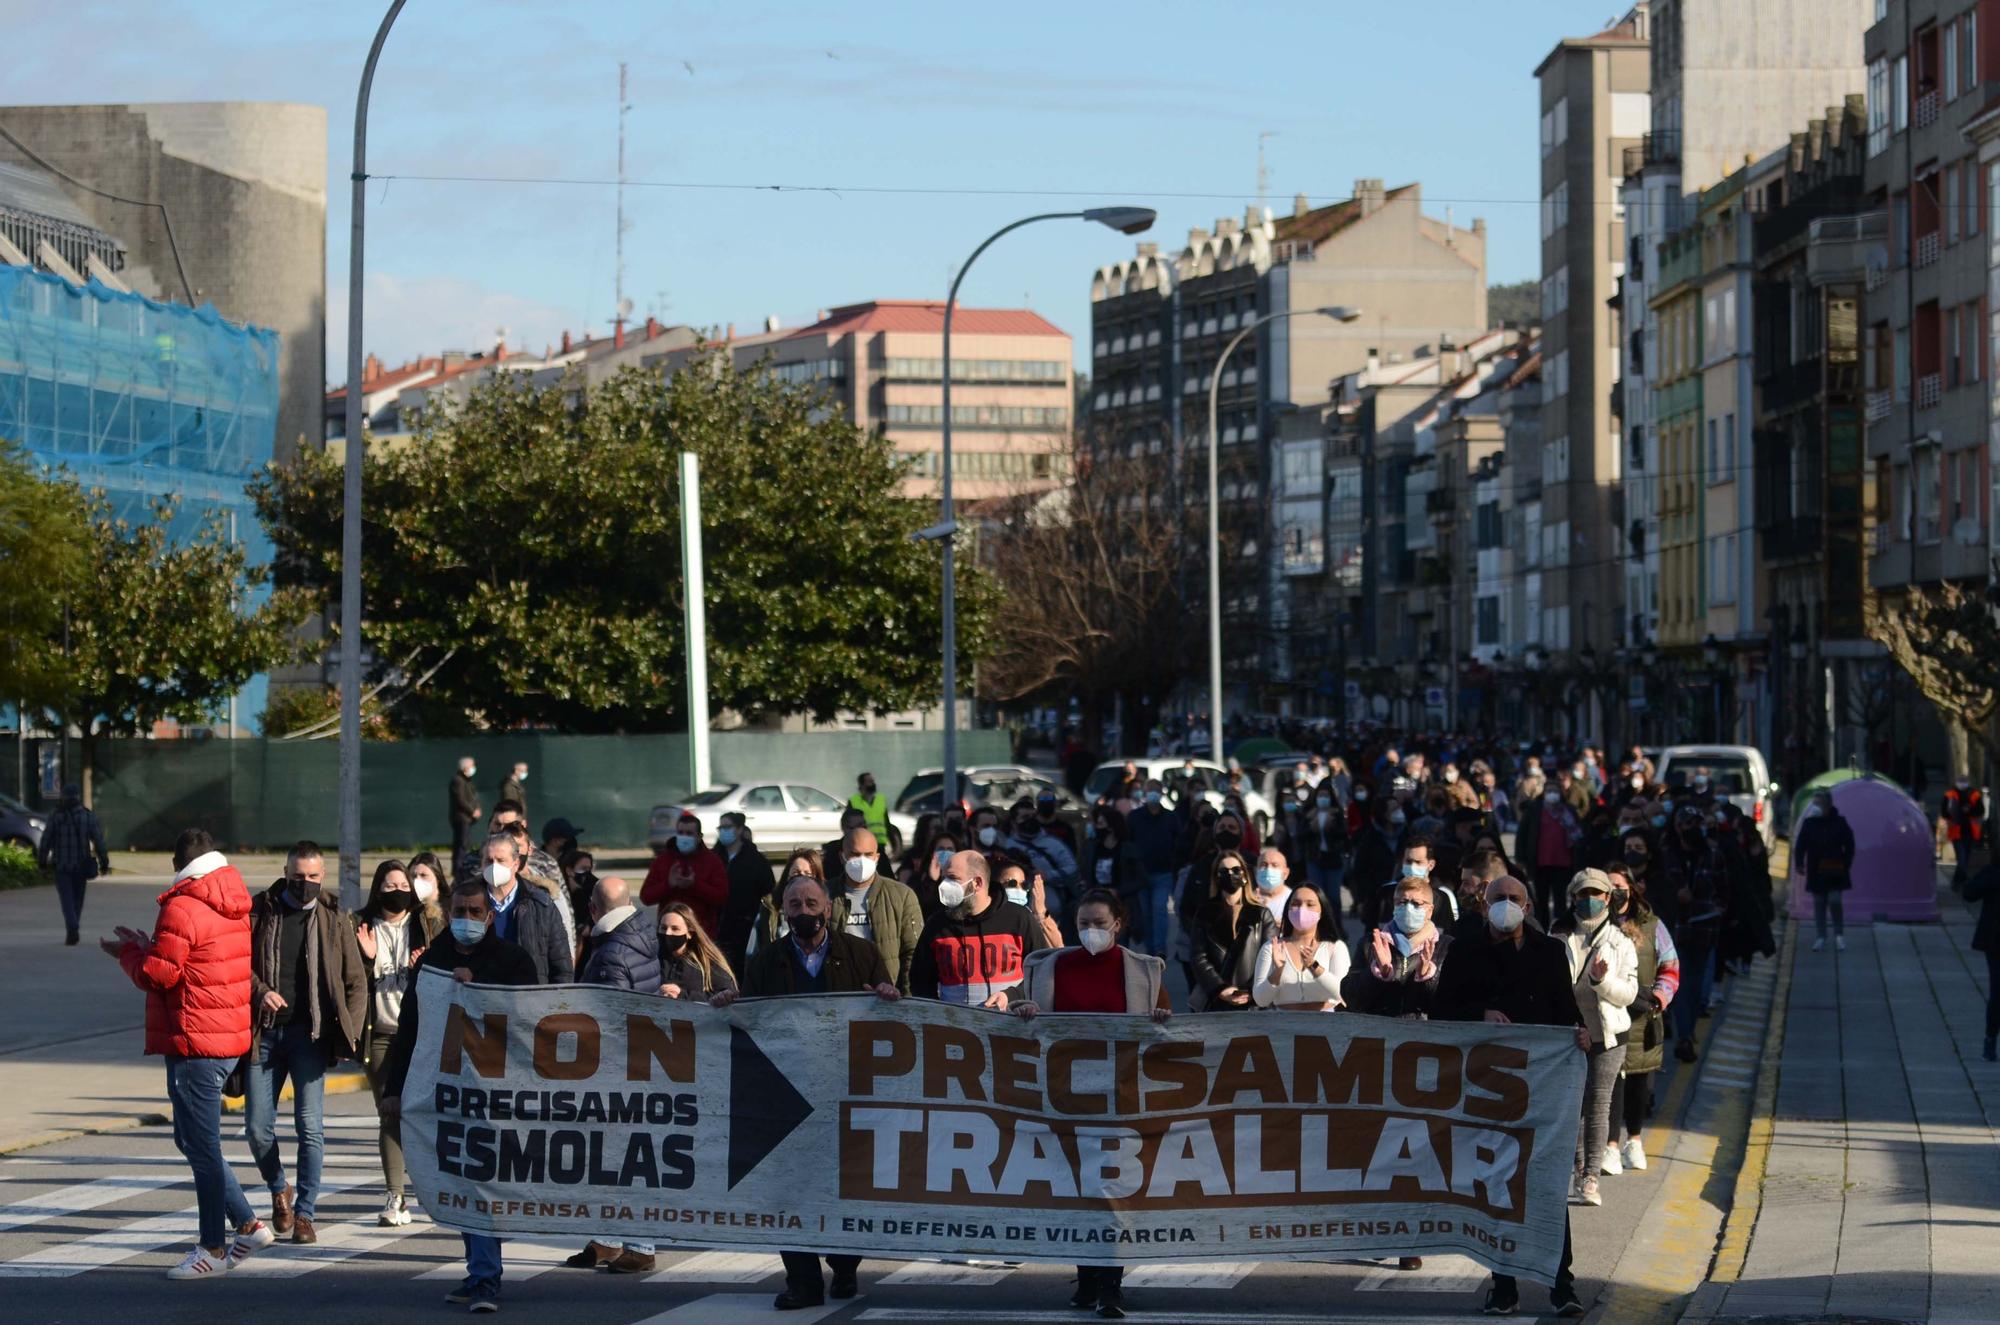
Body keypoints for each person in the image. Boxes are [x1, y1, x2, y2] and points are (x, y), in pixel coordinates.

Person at [714, 874, 900, 1309]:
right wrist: (729, 1007)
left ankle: (846, 1263)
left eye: (811, 903)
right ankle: (802, 1281)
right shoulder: (765, 961)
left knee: (844, 1187)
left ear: (829, 909)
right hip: (786, 1094)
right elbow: (753, 1022)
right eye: (794, 904)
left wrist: (888, 997)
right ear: (785, 911)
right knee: (788, 1189)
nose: (803, 911)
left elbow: (887, 1020)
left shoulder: (862, 954)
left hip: (846, 1090)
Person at [102, 828, 272, 1280]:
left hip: (196, 1041)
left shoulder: (183, 904)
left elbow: (159, 974)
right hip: (220, 1037)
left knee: (200, 1144)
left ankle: (213, 1247)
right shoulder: (231, 897)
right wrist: (148, 945)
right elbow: (192, 961)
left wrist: (129, 953)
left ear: (180, 863)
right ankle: (249, 1225)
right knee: (192, 1139)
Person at [382, 879, 540, 1313]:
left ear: (490, 916)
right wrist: (394, 1090)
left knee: (484, 1181)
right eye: (459, 912)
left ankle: (485, 1277)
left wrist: (478, 987)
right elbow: (410, 1029)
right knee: (466, 1180)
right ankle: (481, 1273)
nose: (466, 920)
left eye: (475, 912)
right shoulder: (432, 963)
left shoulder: (513, 960)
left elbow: (531, 1019)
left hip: (500, 1092)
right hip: (449, 1092)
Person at [1433, 874, 1587, 1317]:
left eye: (1513, 898)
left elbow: (1566, 1011)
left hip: (1541, 1085)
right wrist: (1478, 1013)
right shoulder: (1467, 950)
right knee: (1497, 1184)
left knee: (1547, 1184)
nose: (1505, 904)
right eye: (1497, 898)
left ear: (1529, 906)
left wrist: (1578, 1035)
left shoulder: (1551, 952)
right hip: (1487, 1086)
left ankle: (1563, 1286)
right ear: (1483, 906)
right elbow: (1443, 1011)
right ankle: (1503, 1286)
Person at [1012, 889, 1170, 1319]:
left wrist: (1159, 1018)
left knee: (1111, 1192)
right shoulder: (1049, 967)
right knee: (1076, 1189)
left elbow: (1170, 1025)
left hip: (1121, 1097)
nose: (1090, 931)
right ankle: (1086, 1277)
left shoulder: (1144, 971)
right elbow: (1016, 1007)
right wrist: (1021, 1006)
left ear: (1118, 924)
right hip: (1065, 1095)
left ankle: (1110, 1285)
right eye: (1083, 923)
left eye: (1099, 923)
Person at [245, 841, 366, 1245]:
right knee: (258, 1128)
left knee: (309, 1128)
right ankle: (280, 1188)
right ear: (285, 872)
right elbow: (237, 965)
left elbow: (355, 982)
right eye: (298, 877)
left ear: (323, 876)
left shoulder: (334, 918)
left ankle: (305, 1214)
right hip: (264, 1033)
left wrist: (350, 1031)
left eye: (313, 877)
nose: (306, 884)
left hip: (310, 1036)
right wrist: (260, 991)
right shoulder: (261, 911)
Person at [565, 875, 663, 1274]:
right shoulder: (642, 935)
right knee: (618, 1159)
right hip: (641, 1067)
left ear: (593, 909)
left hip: (617, 1072)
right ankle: (608, 1239)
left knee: (623, 1160)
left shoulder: (610, 954)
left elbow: (607, 1020)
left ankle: (639, 1245)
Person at [352, 858, 444, 1228]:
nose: (397, 891)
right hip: (380, 1033)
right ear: (377, 890)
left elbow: (447, 969)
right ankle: (396, 1196)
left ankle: (434, 1187)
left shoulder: (429, 924)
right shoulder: (359, 926)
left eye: (402, 885)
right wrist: (365, 957)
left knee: (424, 1114)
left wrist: (427, 961)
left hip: (422, 1034)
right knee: (389, 1113)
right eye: (388, 886)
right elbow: (349, 981)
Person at [1558, 869, 1638, 1208]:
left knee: (1598, 1104)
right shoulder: (1558, 935)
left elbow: (1629, 993)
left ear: (1608, 898)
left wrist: (1600, 982)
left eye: (1596, 893)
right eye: (1582, 894)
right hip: (1568, 1033)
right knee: (1572, 1104)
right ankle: (1577, 1170)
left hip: (1608, 1034)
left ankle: (1592, 1176)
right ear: (1572, 897)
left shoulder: (1620, 941)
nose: (1589, 900)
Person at [1605, 868, 1678, 1174]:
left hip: (1642, 1016)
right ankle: (1609, 1146)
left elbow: (1670, 966)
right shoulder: (1597, 925)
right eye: (1608, 887)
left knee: (1638, 1083)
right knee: (1607, 1086)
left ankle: (1634, 1140)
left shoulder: (1653, 926)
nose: (1614, 893)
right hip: (1608, 1015)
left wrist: (1659, 998)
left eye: (1619, 886)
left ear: (1632, 889)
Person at [910, 849, 1045, 1009]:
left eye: (953, 878)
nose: (944, 885)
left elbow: (1041, 973)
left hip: (1010, 1025)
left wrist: (1011, 996)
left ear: (977, 883)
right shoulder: (937, 925)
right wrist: (938, 1016)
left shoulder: (1019, 918)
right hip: (956, 1029)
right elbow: (920, 981)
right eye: (944, 877)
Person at [835, 827, 924, 994]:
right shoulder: (827, 895)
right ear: (842, 857)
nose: (862, 861)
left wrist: (905, 996)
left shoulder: (901, 895)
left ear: (877, 858)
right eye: (854, 854)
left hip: (887, 995)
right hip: (841, 996)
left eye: (868, 855)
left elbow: (912, 952)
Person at [481, 833, 574, 984]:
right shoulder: (466, 903)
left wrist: (558, 1004)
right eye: (489, 861)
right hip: (480, 998)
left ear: (516, 864)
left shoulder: (541, 904)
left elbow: (561, 966)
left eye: (501, 860)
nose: (494, 866)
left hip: (530, 998)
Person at [1186, 850, 1267, 1011]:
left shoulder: (1262, 914)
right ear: (1216, 877)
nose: (1230, 875)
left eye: (1236, 870)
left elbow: (1268, 956)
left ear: (1244, 874)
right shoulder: (1204, 913)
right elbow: (1198, 957)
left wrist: (1251, 991)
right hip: (1216, 1001)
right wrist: (1220, 989)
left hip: (1253, 1002)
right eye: (1223, 871)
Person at [1251, 882, 1350, 1010]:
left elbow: (1342, 993)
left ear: (1322, 911)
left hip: (1326, 1024)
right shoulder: (1271, 947)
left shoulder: (1335, 947)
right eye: (1296, 904)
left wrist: (1314, 966)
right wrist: (1278, 972)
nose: (1302, 909)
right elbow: (1261, 1000)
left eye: (1310, 905)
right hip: (1283, 1025)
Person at [37, 781, 110, 945]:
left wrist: (42, 862)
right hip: (81, 866)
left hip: (61, 866)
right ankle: (73, 926)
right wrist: (104, 861)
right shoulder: (87, 816)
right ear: (78, 797)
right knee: (78, 900)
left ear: (63, 797)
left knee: (66, 899)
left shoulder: (56, 816)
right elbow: (99, 841)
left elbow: (46, 840)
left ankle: (72, 927)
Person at [640, 810, 729, 940]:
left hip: (702, 935)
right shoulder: (663, 860)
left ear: (699, 836)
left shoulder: (712, 861)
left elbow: (722, 897)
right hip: (669, 933)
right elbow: (646, 897)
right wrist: (669, 884)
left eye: (689, 833)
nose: (684, 837)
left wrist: (695, 885)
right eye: (681, 833)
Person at [1794, 790, 1856, 953]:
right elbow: (1801, 845)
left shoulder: (1839, 822)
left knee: (1835, 899)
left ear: (1828, 804)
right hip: (1816, 868)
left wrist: (1846, 863)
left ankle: (1839, 934)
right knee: (1819, 902)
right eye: (1814, 803)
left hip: (1835, 868)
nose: (1815, 807)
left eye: (1818, 803)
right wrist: (1799, 863)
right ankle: (1821, 936)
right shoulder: (1809, 823)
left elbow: (1849, 844)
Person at [1004, 797, 1081, 924]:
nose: (1030, 820)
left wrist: (1048, 875)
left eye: (1033, 816)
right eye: (1024, 817)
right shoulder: (1007, 846)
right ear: (1013, 822)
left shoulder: (1054, 844)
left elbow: (1072, 868)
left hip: (1053, 914)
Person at [1517, 782, 1582, 932]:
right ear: (1544, 793)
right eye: (1549, 790)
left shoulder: (1568, 810)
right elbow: (1522, 835)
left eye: (1555, 790)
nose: (1552, 794)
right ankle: (1542, 931)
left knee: (1561, 901)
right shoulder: (1534, 810)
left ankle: (1561, 931)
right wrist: (1521, 859)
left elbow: (1579, 836)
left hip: (1564, 864)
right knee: (1541, 901)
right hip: (1541, 864)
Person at [716, 811, 776, 972]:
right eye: (720, 827)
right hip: (717, 926)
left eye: (727, 827)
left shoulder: (755, 860)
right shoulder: (715, 857)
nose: (723, 831)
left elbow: (768, 891)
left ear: (740, 829)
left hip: (746, 926)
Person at [1126, 779, 1179, 956]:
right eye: (1150, 790)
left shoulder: (1171, 818)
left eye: (1156, 790)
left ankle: (1159, 949)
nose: (1153, 794)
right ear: (1144, 794)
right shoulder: (1134, 817)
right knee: (1145, 913)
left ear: (1162, 794)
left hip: (1163, 872)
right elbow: (1128, 842)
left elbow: (1177, 842)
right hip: (1140, 874)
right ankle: (1150, 949)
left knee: (1159, 909)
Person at [657, 901, 738, 1001]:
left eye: (675, 929)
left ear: (689, 933)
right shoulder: (651, 958)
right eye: (663, 928)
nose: (668, 933)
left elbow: (728, 995)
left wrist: (682, 995)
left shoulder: (706, 962)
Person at [1963, 858, 2000, 1061]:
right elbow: (1969, 893)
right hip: (1996, 941)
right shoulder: (1993, 871)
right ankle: (1990, 1038)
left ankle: (1990, 1039)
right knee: (1998, 993)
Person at [1942, 776, 1986, 881]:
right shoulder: (1949, 795)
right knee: (1961, 859)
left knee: (1965, 859)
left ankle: (1960, 881)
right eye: (1960, 782)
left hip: (1971, 832)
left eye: (1964, 782)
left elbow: (1981, 811)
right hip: (1956, 832)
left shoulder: (1975, 795)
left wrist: (1969, 810)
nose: (1962, 784)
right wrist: (1953, 813)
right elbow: (1944, 812)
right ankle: (1959, 881)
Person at [448, 756, 482, 866]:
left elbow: (472, 797)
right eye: (472, 766)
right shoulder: (458, 780)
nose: (473, 768)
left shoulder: (466, 781)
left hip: (466, 818)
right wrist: (472, 811)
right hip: (461, 818)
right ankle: (458, 868)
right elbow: (460, 800)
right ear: (465, 767)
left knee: (464, 843)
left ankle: (459, 866)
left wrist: (477, 809)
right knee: (461, 844)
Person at [850, 772, 891, 844]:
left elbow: (887, 823)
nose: (873, 783)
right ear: (861, 784)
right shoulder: (853, 801)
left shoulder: (881, 799)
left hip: (880, 842)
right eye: (869, 781)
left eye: (873, 781)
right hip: (863, 843)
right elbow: (849, 824)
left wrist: (893, 843)